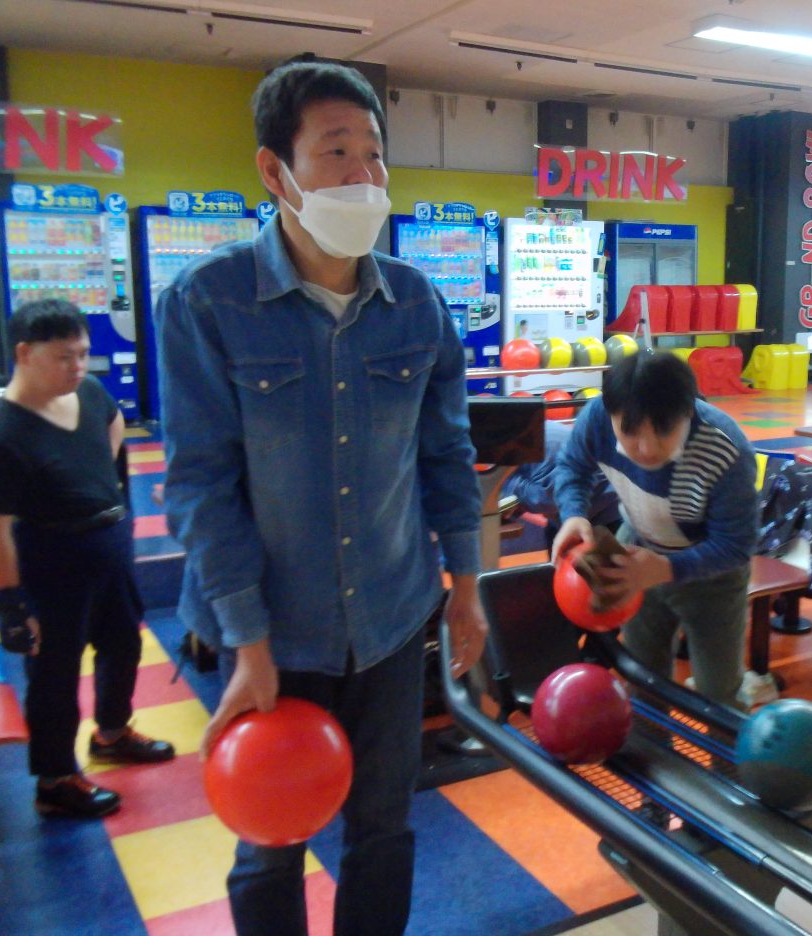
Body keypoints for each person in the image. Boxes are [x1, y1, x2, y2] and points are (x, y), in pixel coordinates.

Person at [156, 59, 486, 936]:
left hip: (390, 619)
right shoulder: (208, 301)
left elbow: (446, 455)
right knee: (270, 837)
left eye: (373, 152)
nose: (363, 174)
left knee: (384, 828)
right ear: (276, 170)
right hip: (269, 632)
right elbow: (198, 484)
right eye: (336, 151)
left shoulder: (417, 302)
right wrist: (248, 644)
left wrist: (466, 588)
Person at [0, 300, 174, 820]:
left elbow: (114, 420)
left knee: (123, 645)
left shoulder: (89, 392)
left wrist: (105, 484)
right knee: (55, 674)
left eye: (83, 354)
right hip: (51, 566)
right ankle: (55, 779)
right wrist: (10, 606)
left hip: (110, 550)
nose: (78, 367)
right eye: (64, 357)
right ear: (24, 353)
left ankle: (112, 733)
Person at [551, 351, 758, 709]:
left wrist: (664, 568)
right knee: (643, 681)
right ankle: (649, 744)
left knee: (719, 693)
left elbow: (736, 545)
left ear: (688, 412)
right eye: (630, 432)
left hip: (713, 577)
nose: (646, 449)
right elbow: (572, 467)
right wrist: (573, 514)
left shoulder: (725, 448)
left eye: (663, 432)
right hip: (637, 551)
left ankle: (725, 748)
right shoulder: (597, 419)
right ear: (611, 414)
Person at [501, 419, 620, 554]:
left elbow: (549, 500)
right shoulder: (524, 435)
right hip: (577, 514)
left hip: (606, 514)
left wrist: (506, 485)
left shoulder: (540, 445)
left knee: (600, 565)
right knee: (556, 548)